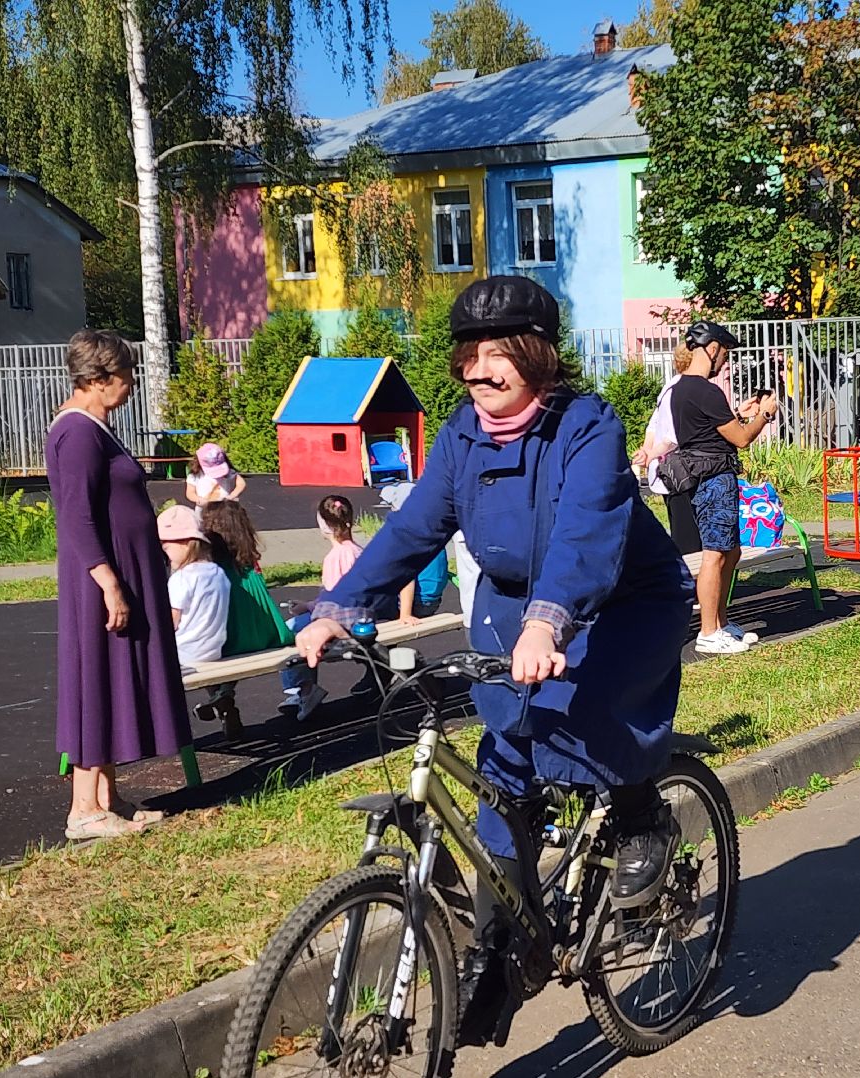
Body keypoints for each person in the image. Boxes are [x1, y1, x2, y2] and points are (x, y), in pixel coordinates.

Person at [295, 274, 694, 921]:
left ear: (538, 356)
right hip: (512, 608)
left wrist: (547, 623)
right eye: (469, 355)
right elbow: (412, 529)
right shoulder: (462, 436)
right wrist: (338, 608)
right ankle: (503, 940)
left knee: (583, 711)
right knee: (506, 755)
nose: (478, 370)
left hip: (623, 601)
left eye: (497, 353)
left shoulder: (587, 426)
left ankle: (641, 815)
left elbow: (585, 533)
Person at [46, 330, 190, 840]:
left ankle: (108, 801)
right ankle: (84, 809)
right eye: (127, 375)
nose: (131, 384)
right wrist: (109, 583)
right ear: (98, 378)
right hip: (101, 581)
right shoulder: (77, 433)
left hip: (124, 572)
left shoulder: (96, 428)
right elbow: (76, 517)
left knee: (115, 676)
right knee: (96, 678)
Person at [667, 320, 779, 654]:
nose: (725, 362)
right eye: (725, 354)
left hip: (706, 477)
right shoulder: (706, 390)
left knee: (731, 551)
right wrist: (765, 415)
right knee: (715, 555)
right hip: (715, 479)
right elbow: (741, 439)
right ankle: (709, 632)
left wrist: (740, 414)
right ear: (712, 348)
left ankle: (721, 623)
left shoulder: (680, 389)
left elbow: (711, 431)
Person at [281, 494, 384, 718]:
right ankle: (305, 688)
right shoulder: (358, 551)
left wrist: (309, 608)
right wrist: (308, 605)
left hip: (344, 620)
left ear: (323, 525)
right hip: (362, 614)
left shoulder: (335, 557)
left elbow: (334, 600)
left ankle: (302, 688)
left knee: (290, 629)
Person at [200, 501, 295, 739]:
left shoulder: (212, 570)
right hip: (262, 633)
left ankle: (221, 696)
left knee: (204, 650)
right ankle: (224, 693)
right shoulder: (249, 565)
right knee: (229, 650)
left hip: (230, 638)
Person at [631, 346, 701, 556]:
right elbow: (672, 437)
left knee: (681, 529)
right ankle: (690, 574)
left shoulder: (669, 388)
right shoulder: (684, 390)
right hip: (680, 472)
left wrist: (647, 451)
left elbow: (653, 425)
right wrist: (649, 454)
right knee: (689, 538)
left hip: (668, 471)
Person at [159, 505, 231, 669]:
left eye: (166, 547)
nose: (165, 555)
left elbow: (171, 622)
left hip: (184, 654)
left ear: (185, 543)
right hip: (212, 651)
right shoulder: (218, 572)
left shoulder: (181, 578)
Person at [379, 482, 452, 620]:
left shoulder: (408, 538)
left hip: (417, 602)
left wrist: (405, 614)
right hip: (433, 599)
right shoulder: (433, 531)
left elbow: (406, 578)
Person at [185, 442, 246, 508]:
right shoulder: (195, 475)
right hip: (204, 510)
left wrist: (232, 496)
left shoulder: (228, 472)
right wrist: (198, 499)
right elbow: (190, 493)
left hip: (225, 509)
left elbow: (241, 483)